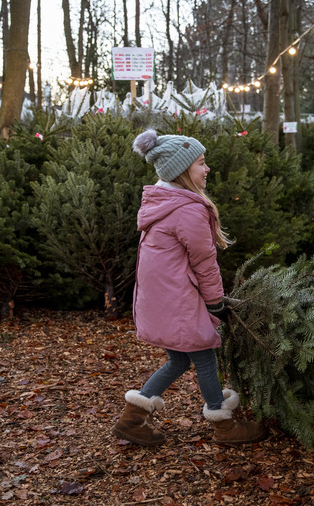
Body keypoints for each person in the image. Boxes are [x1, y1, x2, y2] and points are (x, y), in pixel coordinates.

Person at [110, 129, 267, 446]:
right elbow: (205, 263)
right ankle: (225, 426)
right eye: (200, 163)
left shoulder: (162, 200)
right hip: (181, 300)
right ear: (181, 170)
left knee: (180, 360)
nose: (207, 169)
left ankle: (132, 419)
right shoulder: (188, 210)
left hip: (163, 299)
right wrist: (215, 303)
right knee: (206, 357)